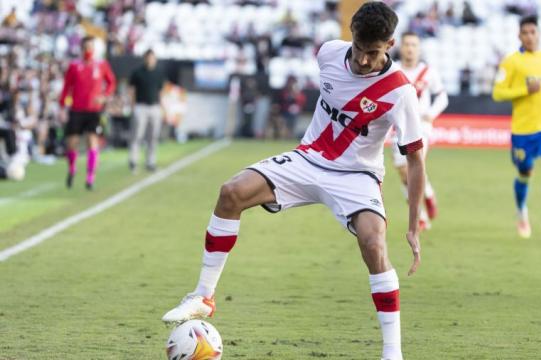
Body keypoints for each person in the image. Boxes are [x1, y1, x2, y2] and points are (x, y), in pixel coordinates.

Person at [162, 3, 425, 359]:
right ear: (351, 36)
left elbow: (415, 159)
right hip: (308, 159)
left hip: (357, 175)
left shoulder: (399, 92)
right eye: (360, 49)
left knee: (373, 243)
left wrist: (412, 226)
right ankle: (203, 296)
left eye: (373, 53)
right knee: (231, 193)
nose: (363, 60)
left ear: (390, 44)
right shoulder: (329, 53)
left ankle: (392, 353)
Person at [492, 16, 541, 239]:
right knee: (525, 173)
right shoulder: (510, 61)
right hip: (523, 130)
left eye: (533, 32)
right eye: (526, 32)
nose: (530, 36)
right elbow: (498, 93)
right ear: (519, 36)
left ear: (539, 34)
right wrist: (525, 89)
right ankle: (522, 212)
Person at [391, 32, 448, 230]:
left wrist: (431, 113)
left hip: (421, 127)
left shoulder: (428, 72)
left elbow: (442, 97)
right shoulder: (393, 69)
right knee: (404, 174)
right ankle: (427, 198)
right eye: (406, 44)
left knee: (414, 166)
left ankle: (420, 216)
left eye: (414, 45)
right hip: (398, 125)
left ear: (419, 48)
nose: (409, 48)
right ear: (401, 47)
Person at [59, 36, 115, 190]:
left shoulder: (102, 65)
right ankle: (72, 168)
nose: (88, 50)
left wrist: (104, 97)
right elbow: (66, 87)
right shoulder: (74, 66)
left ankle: (90, 177)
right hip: (76, 110)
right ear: (81, 48)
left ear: (94, 49)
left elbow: (111, 82)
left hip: (94, 111)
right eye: (85, 47)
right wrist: (63, 107)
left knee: (92, 141)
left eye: (91, 47)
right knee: (72, 143)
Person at [128, 49, 166, 172]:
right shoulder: (137, 72)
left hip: (154, 106)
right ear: (145, 58)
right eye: (148, 57)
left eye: (152, 58)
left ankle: (150, 162)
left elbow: (160, 91)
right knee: (137, 135)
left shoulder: (159, 73)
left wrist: (162, 106)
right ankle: (133, 160)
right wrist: (133, 105)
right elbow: (132, 90)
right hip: (141, 106)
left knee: (153, 136)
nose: (150, 60)